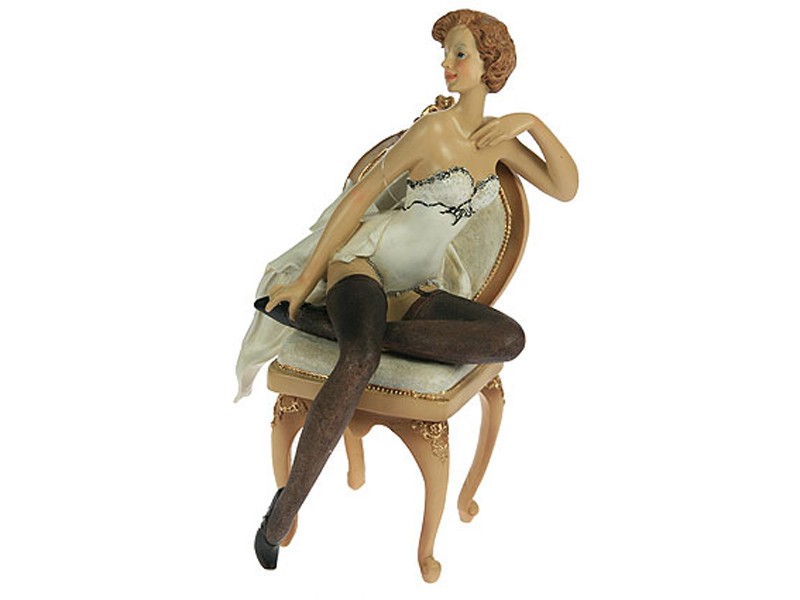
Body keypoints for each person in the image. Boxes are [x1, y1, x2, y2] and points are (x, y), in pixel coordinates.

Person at [238, 9, 579, 570]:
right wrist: (306, 276)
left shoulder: (497, 142)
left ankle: (339, 328)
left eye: (460, 53)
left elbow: (565, 188)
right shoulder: (432, 132)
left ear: (490, 64)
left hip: (418, 290)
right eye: (445, 54)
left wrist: (533, 123)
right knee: (361, 358)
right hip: (364, 267)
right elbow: (357, 200)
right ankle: (280, 515)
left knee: (509, 340)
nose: (447, 65)